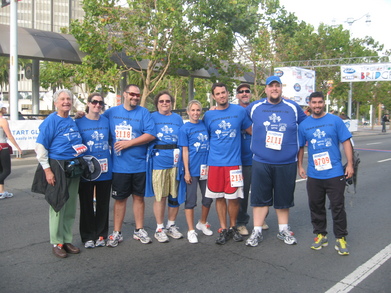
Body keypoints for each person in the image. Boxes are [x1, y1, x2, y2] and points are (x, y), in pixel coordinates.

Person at [245, 76, 307, 247]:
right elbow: (239, 119)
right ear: (265, 89)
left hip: (286, 162)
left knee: (283, 199)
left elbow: (307, 125)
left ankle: (283, 230)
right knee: (259, 199)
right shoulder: (255, 107)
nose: (274, 89)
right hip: (261, 161)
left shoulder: (292, 107)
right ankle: (256, 231)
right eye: (271, 86)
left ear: (281, 89)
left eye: (277, 86)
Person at [32, 89, 87, 258]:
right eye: (62, 99)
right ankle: (56, 242)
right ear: (55, 102)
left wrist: (78, 116)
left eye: (68, 99)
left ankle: (66, 239)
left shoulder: (71, 120)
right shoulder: (51, 121)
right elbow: (40, 147)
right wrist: (47, 170)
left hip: (73, 167)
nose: (66, 102)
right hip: (57, 167)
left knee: (70, 205)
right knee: (57, 204)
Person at [298, 91, 354, 256]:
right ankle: (320, 235)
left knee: (337, 206)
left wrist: (350, 164)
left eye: (320, 102)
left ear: (324, 103)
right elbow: (301, 146)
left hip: (335, 172)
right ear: (309, 104)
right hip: (314, 174)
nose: (317, 105)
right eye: (314, 103)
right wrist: (300, 166)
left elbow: (346, 141)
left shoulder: (335, 121)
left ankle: (341, 238)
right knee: (316, 206)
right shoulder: (304, 125)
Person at [103, 84, 156, 247]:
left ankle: (139, 230)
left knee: (138, 198)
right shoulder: (112, 112)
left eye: (138, 95)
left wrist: (129, 143)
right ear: (124, 94)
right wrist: (82, 114)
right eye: (132, 94)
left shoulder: (143, 112)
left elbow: (151, 134)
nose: (135, 97)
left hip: (139, 165)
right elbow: (97, 118)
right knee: (120, 200)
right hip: (119, 167)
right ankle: (117, 232)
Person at [203, 82, 252, 245]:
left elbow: (253, 131)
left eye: (223, 92)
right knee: (219, 196)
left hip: (234, 163)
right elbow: (204, 136)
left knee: (234, 198)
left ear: (227, 93)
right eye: (218, 94)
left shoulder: (239, 111)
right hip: (215, 163)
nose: (221, 96)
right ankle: (223, 229)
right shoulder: (208, 115)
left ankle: (233, 227)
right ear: (213, 96)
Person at [75, 93, 112, 248]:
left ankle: (101, 234)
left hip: (105, 169)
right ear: (88, 104)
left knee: (103, 203)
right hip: (87, 170)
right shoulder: (78, 122)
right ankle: (88, 236)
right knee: (86, 203)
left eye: (100, 103)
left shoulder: (107, 121)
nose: (97, 105)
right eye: (94, 102)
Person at [149, 91, 184, 243]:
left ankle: (171, 225)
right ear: (157, 103)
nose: (165, 103)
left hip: (175, 161)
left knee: (174, 195)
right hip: (159, 162)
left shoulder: (177, 118)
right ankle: (159, 228)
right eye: (162, 101)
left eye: (168, 101)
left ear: (171, 103)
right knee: (160, 196)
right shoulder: (151, 117)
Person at [235, 83, 268, 236]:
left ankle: (260, 219)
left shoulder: (258, 111)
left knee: (261, 191)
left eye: (247, 91)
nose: (244, 93)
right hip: (240, 160)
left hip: (259, 158)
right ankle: (241, 223)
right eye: (241, 92)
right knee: (241, 194)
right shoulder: (234, 111)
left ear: (250, 94)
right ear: (237, 95)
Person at [178, 100, 213, 244]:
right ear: (188, 112)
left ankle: (202, 222)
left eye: (198, 110)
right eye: (192, 110)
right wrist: (186, 171)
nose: (195, 113)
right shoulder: (184, 129)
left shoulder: (204, 125)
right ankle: (191, 230)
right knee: (191, 200)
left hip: (206, 168)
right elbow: (184, 151)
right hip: (192, 169)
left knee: (208, 198)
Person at [0, 103, 22, 199]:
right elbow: (9, 136)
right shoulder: (3, 120)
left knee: (1, 170)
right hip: (2, 147)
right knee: (6, 170)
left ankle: (2, 191)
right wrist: (18, 147)